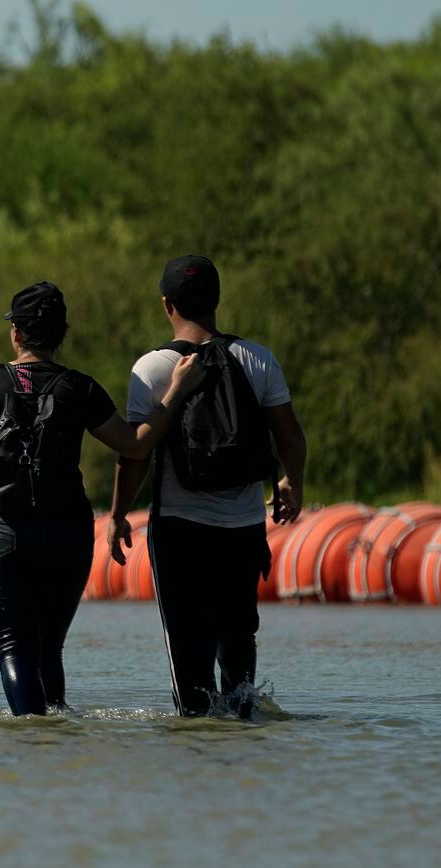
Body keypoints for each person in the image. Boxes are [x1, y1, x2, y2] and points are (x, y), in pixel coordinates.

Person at [0, 281, 205, 716]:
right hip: (68, 535)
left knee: (14, 647)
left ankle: (31, 733)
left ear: (16, 333)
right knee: (49, 646)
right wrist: (176, 390)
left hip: (0, 533)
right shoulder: (79, 388)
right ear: (61, 334)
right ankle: (56, 733)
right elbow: (134, 444)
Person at [108, 256, 308, 717]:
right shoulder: (257, 358)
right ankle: (242, 727)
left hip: (180, 528)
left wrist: (118, 515)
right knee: (238, 640)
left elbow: (136, 453)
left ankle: (196, 743)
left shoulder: (154, 367)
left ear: (166, 304)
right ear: (217, 300)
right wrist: (291, 484)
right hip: (242, 526)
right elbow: (291, 439)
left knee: (187, 648)